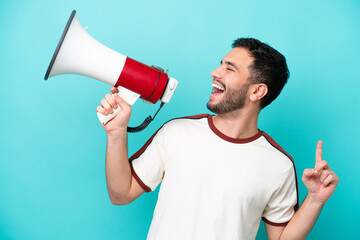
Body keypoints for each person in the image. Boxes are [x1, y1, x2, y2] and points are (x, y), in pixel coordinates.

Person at [96, 38, 339, 240]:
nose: (215, 72)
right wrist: (116, 133)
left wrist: (315, 200)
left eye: (229, 68)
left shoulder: (279, 165)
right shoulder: (177, 132)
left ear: (257, 91)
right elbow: (121, 194)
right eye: (220, 64)